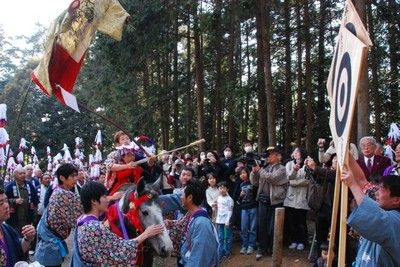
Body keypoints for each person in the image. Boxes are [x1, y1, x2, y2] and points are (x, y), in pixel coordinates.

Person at [71, 181, 165, 266]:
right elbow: (120, 249)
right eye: (104, 196)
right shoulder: (95, 227)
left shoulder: (82, 219)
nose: (108, 199)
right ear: (94, 201)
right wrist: (145, 234)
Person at [342, 153, 400, 266]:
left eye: (381, 189)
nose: (376, 192)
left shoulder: (396, 221)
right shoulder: (381, 204)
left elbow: (378, 218)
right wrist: (344, 150)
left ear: (396, 200)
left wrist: (353, 185)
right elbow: (361, 181)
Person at [34, 163, 83, 267]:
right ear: (62, 177)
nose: (75, 179)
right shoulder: (64, 194)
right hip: (51, 242)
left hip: (51, 240)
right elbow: (79, 216)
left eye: (76, 175)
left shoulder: (60, 191)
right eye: (72, 176)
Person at [251, 146, 288, 260]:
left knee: (273, 227)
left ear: (278, 156)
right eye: (267, 154)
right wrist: (254, 172)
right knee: (262, 226)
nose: (268, 156)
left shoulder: (282, 169)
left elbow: (272, 178)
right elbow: (255, 182)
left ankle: (273, 250)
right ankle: (262, 249)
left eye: (271, 154)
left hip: (275, 201)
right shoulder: (265, 168)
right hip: (263, 199)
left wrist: (260, 170)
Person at [179, 180, 218, 266]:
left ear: (189, 197)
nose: (180, 197)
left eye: (182, 194)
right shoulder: (192, 216)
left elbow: (199, 258)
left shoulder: (201, 223)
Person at [0, 188, 36, 267]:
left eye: (6, 201)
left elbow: (19, 249)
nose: (6, 206)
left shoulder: (6, 228)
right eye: (1, 203)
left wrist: (28, 238)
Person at [284, 147, 310, 251]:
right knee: (292, 222)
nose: (296, 154)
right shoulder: (289, 164)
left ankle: (302, 241)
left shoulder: (307, 164)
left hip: (302, 198)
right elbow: (288, 178)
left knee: (301, 222)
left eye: (298, 152)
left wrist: (293, 183)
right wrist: (294, 170)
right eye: (294, 152)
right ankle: (294, 240)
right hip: (290, 198)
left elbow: (307, 180)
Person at [5, 167, 38, 234]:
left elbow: (35, 199)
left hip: (28, 217)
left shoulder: (29, 185)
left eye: (24, 173)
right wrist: (14, 201)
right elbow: (4, 201)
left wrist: (34, 211)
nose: (23, 175)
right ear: (15, 175)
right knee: (15, 236)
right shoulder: (10, 186)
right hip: (15, 218)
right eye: (20, 174)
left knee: (27, 235)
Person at [237, 166, 257, 255]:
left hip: (253, 207)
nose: (242, 175)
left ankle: (251, 245)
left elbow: (257, 193)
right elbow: (238, 199)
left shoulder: (253, 182)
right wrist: (240, 196)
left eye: (244, 173)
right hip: (244, 208)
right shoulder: (240, 185)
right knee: (244, 228)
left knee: (253, 228)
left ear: (248, 173)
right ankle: (244, 245)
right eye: (241, 174)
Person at [215, 181, 234, 261]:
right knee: (220, 237)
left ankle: (227, 253)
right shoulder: (218, 198)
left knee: (228, 237)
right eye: (220, 188)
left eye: (224, 188)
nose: (222, 190)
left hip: (227, 222)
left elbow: (230, 210)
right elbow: (217, 209)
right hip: (219, 221)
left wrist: (227, 221)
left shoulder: (229, 199)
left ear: (227, 189)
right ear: (218, 189)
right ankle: (220, 253)